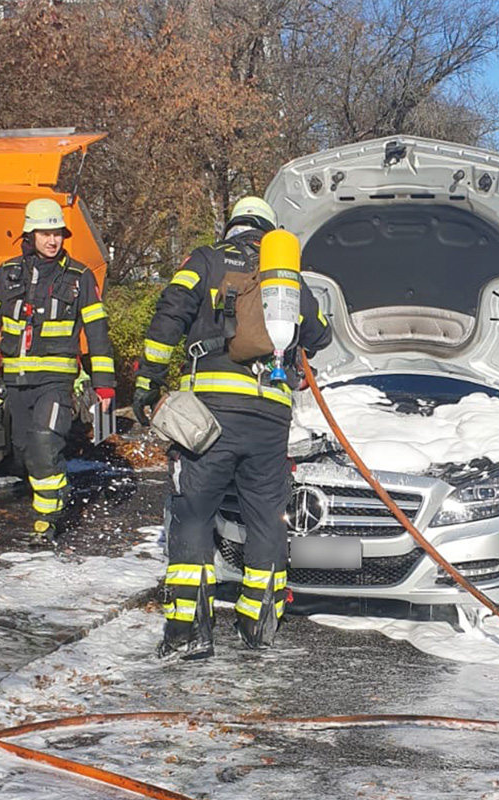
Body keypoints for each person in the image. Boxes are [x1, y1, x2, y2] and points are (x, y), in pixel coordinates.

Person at [132, 196, 332, 662]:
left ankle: (188, 633)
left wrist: (147, 380)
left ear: (233, 228)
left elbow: (170, 314)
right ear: (268, 233)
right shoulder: (286, 279)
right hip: (270, 417)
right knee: (265, 517)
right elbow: (320, 334)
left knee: (193, 513)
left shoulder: (205, 260)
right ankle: (257, 625)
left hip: (210, 415)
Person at [0, 198, 115, 543]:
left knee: (45, 444)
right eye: (46, 232)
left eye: (57, 233)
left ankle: (49, 517)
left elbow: (98, 333)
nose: (52, 240)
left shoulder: (79, 278)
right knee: (26, 450)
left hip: (56, 382)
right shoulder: (7, 273)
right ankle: (50, 495)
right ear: (31, 233)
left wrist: (104, 385)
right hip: (16, 381)